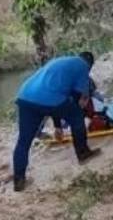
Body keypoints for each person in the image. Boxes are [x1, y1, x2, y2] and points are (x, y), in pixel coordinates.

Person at [13, 51, 102, 192]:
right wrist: (82, 103)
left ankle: (19, 180)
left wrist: (58, 127)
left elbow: (57, 94)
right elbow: (76, 98)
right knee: (77, 117)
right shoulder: (83, 66)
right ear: (90, 64)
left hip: (25, 97)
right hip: (48, 98)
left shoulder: (61, 61)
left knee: (23, 142)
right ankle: (83, 153)